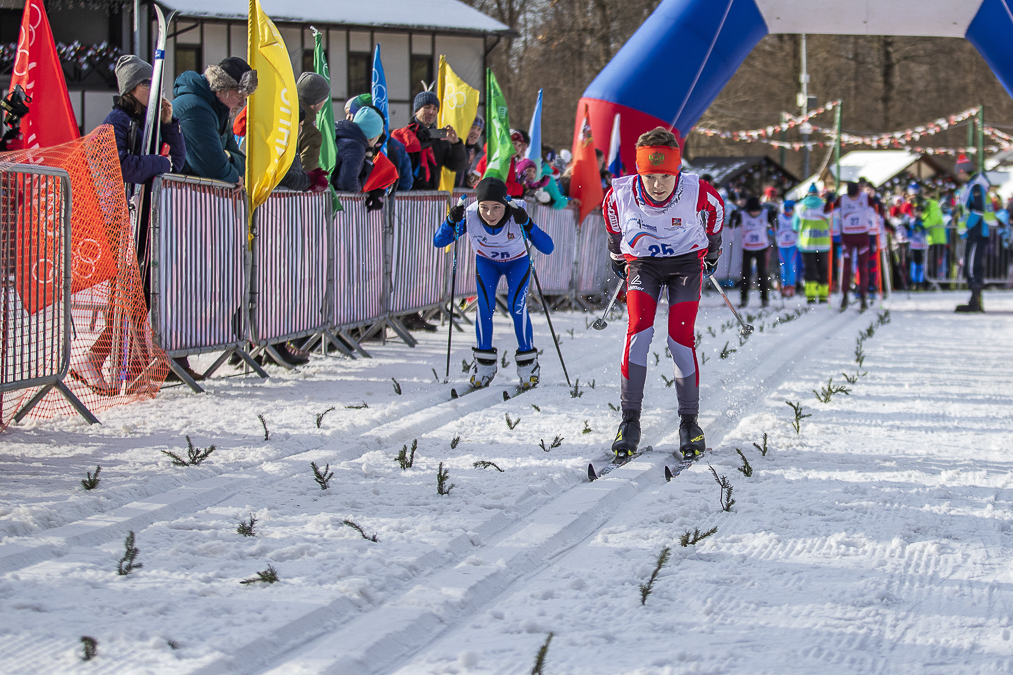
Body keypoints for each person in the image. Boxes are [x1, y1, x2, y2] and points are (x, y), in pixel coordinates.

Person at [603, 127, 724, 460]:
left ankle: (689, 423)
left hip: (685, 264)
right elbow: (611, 219)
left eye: (666, 178)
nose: (658, 186)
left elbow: (717, 210)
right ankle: (629, 422)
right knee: (638, 332)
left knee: (679, 338)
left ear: (677, 171)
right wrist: (617, 253)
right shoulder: (621, 192)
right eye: (650, 177)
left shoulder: (694, 189)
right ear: (640, 172)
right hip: (644, 265)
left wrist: (713, 249)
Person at [72, 55, 188, 392]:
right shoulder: (116, 120)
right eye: (147, 84)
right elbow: (122, 165)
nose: (154, 90)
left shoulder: (151, 121)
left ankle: (104, 362)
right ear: (132, 88)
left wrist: (169, 124)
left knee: (138, 297)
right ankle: (119, 365)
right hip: (121, 219)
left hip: (147, 220)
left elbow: (177, 163)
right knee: (128, 296)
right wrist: (158, 162)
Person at [433, 177, 554, 388]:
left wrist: (528, 224)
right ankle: (484, 363)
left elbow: (548, 247)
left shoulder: (517, 213)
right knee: (484, 307)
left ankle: (528, 363)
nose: (489, 214)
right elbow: (439, 241)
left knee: (516, 307)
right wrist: (450, 221)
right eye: (484, 208)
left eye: (496, 207)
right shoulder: (471, 216)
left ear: (505, 203)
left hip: (517, 263)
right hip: (487, 263)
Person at [172, 56, 257, 186]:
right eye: (239, 96)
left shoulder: (219, 111)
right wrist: (235, 177)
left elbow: (244, 164)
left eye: (244, 98)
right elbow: (213, 167)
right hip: (178, 196)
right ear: (220, 90)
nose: (242, 103)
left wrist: (227, 157)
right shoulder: (195, 109)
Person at [396, 89, 467, 191]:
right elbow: (400, 163)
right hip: (407, 195)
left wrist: (456, 143)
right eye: (427, 107)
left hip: (431, 198)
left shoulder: (439, 137)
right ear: (416, 110)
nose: (431, 112)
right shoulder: (405, 134)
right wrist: (419, 142)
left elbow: (457, 166)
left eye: (435, 109)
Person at [954, 154, 991, 312]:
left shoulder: (975, 186)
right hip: (972, 233)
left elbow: (978, 210)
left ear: (963, 171)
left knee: (972, 266)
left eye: (958, 171)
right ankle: (974, 299)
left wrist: (967, 226)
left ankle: (976, 300)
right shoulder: (971, 185)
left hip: (976, 232)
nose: (957, 175)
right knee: (970, 265)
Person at [831, 182, 876, 311]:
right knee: (846, 268)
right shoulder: (843, 198)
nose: (852, 198)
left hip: (862, 236)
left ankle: (863, 297)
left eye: (854, 195)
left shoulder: (865, 198)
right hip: (848, 237)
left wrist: (877, 203)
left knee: (862, 268)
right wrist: (830, 201)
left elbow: (879, 209)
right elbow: (829, 209)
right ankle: (845, 296)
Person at [730, 195, 774, 308]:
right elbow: (732, 226)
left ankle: (764, 299)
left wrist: (774, 217)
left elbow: (774, 225)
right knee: (745, 274)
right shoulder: (743, 215)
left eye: (756, 211)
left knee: (762, 274)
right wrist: (733, 217)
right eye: (752, 211)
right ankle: (743, 299)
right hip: (747, 248)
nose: (754, 213)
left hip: (761, 248)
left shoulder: (765, 214)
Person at [792, 184, 832, 304]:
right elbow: (831, 224)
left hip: (806, 244)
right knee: (823, 269)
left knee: (810, 270)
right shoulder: (825, 207)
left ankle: (810, 296)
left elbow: (794, 227)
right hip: (823, 243)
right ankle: (823, 296)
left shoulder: (800, 207)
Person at [331, 106, 384, 192]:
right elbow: (348, 184)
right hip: (330, 198)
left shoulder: (341, 134)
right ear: (372, 137)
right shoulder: (355, 147)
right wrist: (359, 190)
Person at [295, 72, 330, 173]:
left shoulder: (281, 114)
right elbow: (307, 171)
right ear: (318, 102)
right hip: (290, 185)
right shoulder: (312, 135)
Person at [776, 200, 800, 298]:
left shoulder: (796, 217)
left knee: (792, 267)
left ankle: (791, 288)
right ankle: (784, 287)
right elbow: (774, 229)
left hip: (792, 245)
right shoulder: (779, 217)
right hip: (782, 245)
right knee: (783, 267)